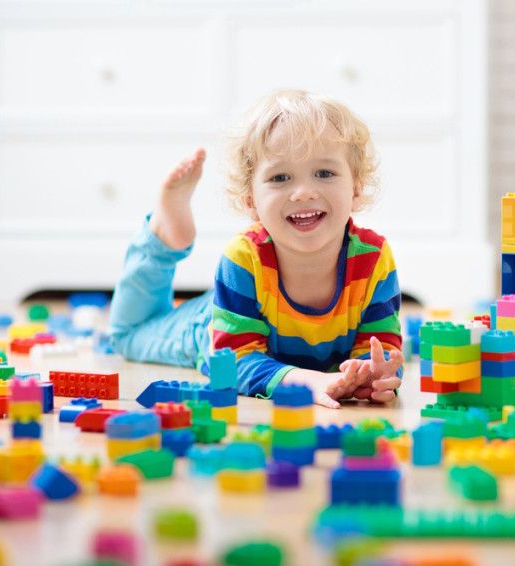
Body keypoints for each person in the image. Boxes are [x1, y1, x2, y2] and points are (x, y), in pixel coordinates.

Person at [109, 90, 403, 408]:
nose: (303, 192)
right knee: (128, 334)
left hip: (253, 312)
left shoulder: (373, 259)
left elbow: (381, 345)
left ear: (356, 188)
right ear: (251, 201)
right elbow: (235, 361)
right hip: (213, 327)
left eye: (324, 173)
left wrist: (373, 375)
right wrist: (310, 380)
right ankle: (162, 240)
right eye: (280, 177)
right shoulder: (243, 258)